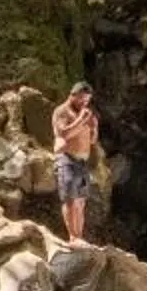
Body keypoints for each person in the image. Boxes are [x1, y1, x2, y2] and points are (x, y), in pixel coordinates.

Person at [52, 80, 101, 243]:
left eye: (87, 100)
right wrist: (81, 119)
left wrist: (94, 128)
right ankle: (72, 237)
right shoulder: (62, 111)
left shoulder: (85, 114)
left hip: (82, 161)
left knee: (81, 202)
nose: (84, 103)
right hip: (66, 158)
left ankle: (79, 237)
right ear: (72, 95)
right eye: (81, 99)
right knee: (70, 200)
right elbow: (63, 134)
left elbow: (92, 141)